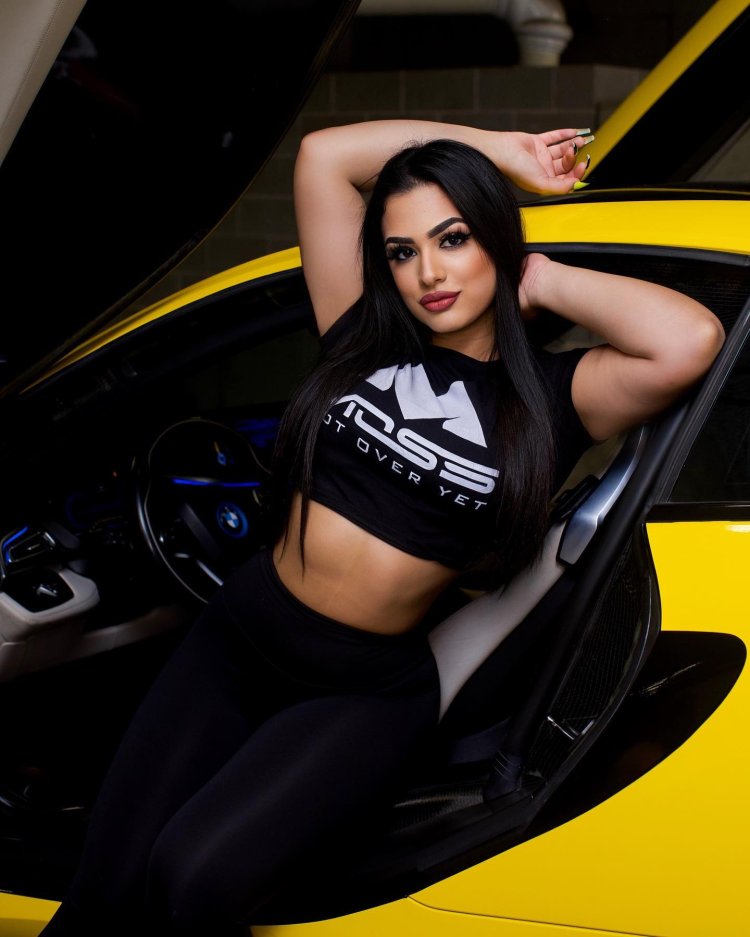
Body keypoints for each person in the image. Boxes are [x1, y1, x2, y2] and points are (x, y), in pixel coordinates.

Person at [39, 121, 724, 936]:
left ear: (494, 241)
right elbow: (324, 156)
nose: (428, 271)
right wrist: (497, 151)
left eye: (454, 238)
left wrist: (538, 274)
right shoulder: (361, 334)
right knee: (104, 888)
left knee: (193, 879)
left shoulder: (552, 396)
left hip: (363, 690)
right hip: (240, 639)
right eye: (403, 251)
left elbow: (690, 340)